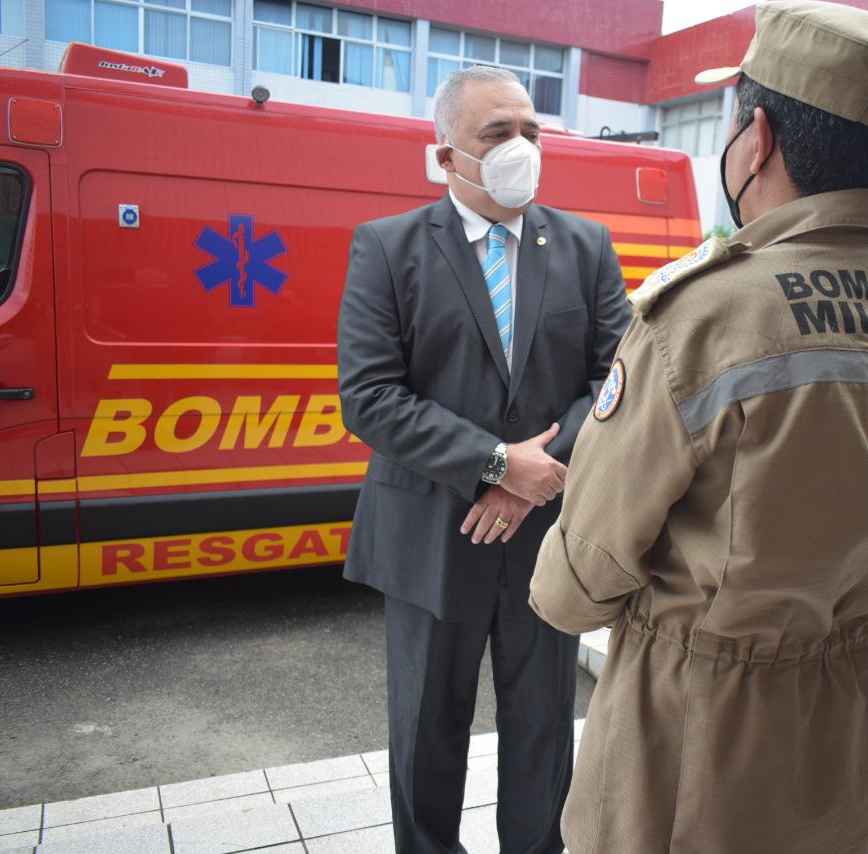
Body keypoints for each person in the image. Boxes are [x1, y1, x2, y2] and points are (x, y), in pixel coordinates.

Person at [527, 3, 868, 852]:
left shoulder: (706, 313)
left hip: (700, 721)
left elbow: (580, 579)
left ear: (759, 139)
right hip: (859, 710)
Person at [337, 66, 630, 854]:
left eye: (531, 130)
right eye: (497, 133)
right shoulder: (389, 248)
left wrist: (533, 478)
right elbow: (369, 396)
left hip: (547, 536)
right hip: (433, 536)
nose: (520, 147)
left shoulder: (584, 244)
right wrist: (497, 465)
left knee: (543, 733)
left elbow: (620, 380)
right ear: (445, 157)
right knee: (428, 735)